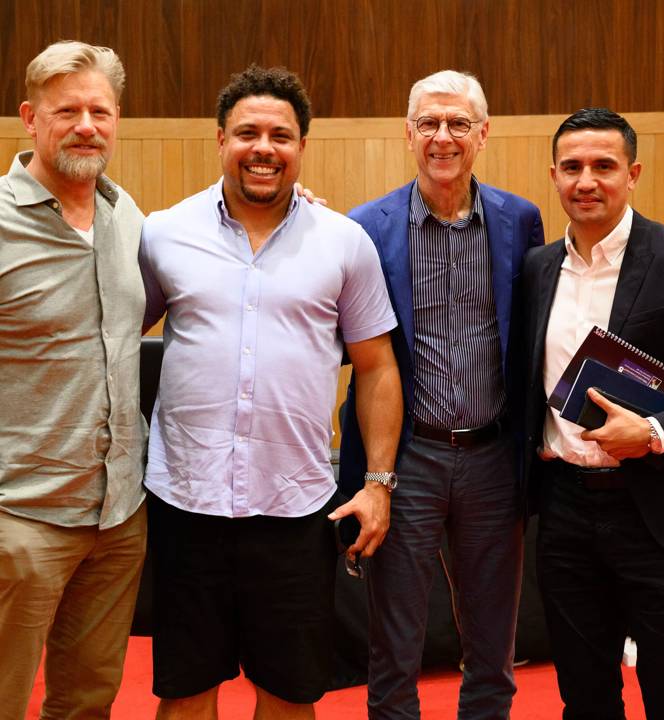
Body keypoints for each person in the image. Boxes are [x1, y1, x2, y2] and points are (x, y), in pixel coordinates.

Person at [139, 64, 402, 720]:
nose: (264, 147)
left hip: (295, 513)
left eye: (280, 135)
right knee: (185, 692)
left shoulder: (344, 243)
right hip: (184, 506)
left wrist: (377, 483)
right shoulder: (163, 233)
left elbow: (377, 367)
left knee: (289, 696)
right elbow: (113, 341)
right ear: (220, 139)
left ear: (302, 146)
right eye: (247, 132)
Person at [339, 70, 544, 720]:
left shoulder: (520, 221)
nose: (443, 136)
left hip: (492, 458)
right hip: (405, 461)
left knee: (493, 650)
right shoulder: (365, 226)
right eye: (429, 123)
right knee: (394, 648)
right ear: (408, 133)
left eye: (458, 123)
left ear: (483, 134)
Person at [523, 107, 664, 720]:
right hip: (564, 513)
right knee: (583, 699)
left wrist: (660, 430)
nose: (588, 181)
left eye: (604, 166)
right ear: (553, 175)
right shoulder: (535, 268)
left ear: (632, 174)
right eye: (573, 167)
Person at [0, 41, 147, 720]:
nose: (86, 124)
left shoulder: (130, 219)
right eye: (68, 111)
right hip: (20, 517)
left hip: (117, 517)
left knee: (87, 701)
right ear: (30, 118)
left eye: (100, 110)